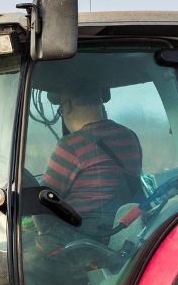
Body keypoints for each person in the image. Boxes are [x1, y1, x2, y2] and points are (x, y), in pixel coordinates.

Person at [41, 78, 144, 235]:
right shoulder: (130, 136)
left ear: (67, 107)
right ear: (100, 105)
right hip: (128, 230)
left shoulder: (70, 145)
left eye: (60, 110)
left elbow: (45, 200)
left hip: (85, 238)